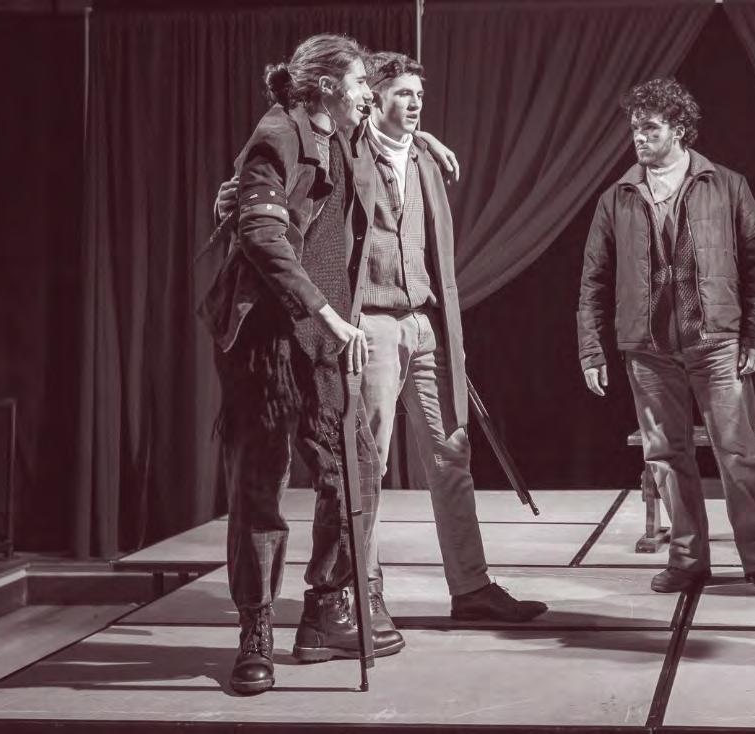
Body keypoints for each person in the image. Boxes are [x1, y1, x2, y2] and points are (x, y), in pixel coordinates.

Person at [198, 33, 403, 696]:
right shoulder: (277, 135)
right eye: (360, 84)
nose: (368, 95)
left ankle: (324, 610)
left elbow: (390, 130)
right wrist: (328, 313)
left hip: (321, 340)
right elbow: (261, 233)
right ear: (326, 87)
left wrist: (422, 142)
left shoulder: (343, 134)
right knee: (260, 483)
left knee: (355, 470)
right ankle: (254, 630)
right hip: (269, 340)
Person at [578, 78, 755, 596]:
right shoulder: (618, 196)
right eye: (635, 129)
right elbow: (593, 280)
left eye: (650, 128)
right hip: (647, 350)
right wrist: (592, 348)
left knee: (740, 454)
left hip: (717, 343)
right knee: (664, 456)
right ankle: (686, 559)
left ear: (679, 129)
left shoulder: (725, 185)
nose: (639, 137)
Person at [356, 52, 548, 644]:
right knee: (367, 467)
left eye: (420, 94)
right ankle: (363, 595)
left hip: (424, 322)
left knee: (451, 455)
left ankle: (471, 588)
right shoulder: (349, 150)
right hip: (372, 323)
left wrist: (423, 139)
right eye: (403, 93)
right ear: (374, 96)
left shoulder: (421, 157)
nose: (415, 103)